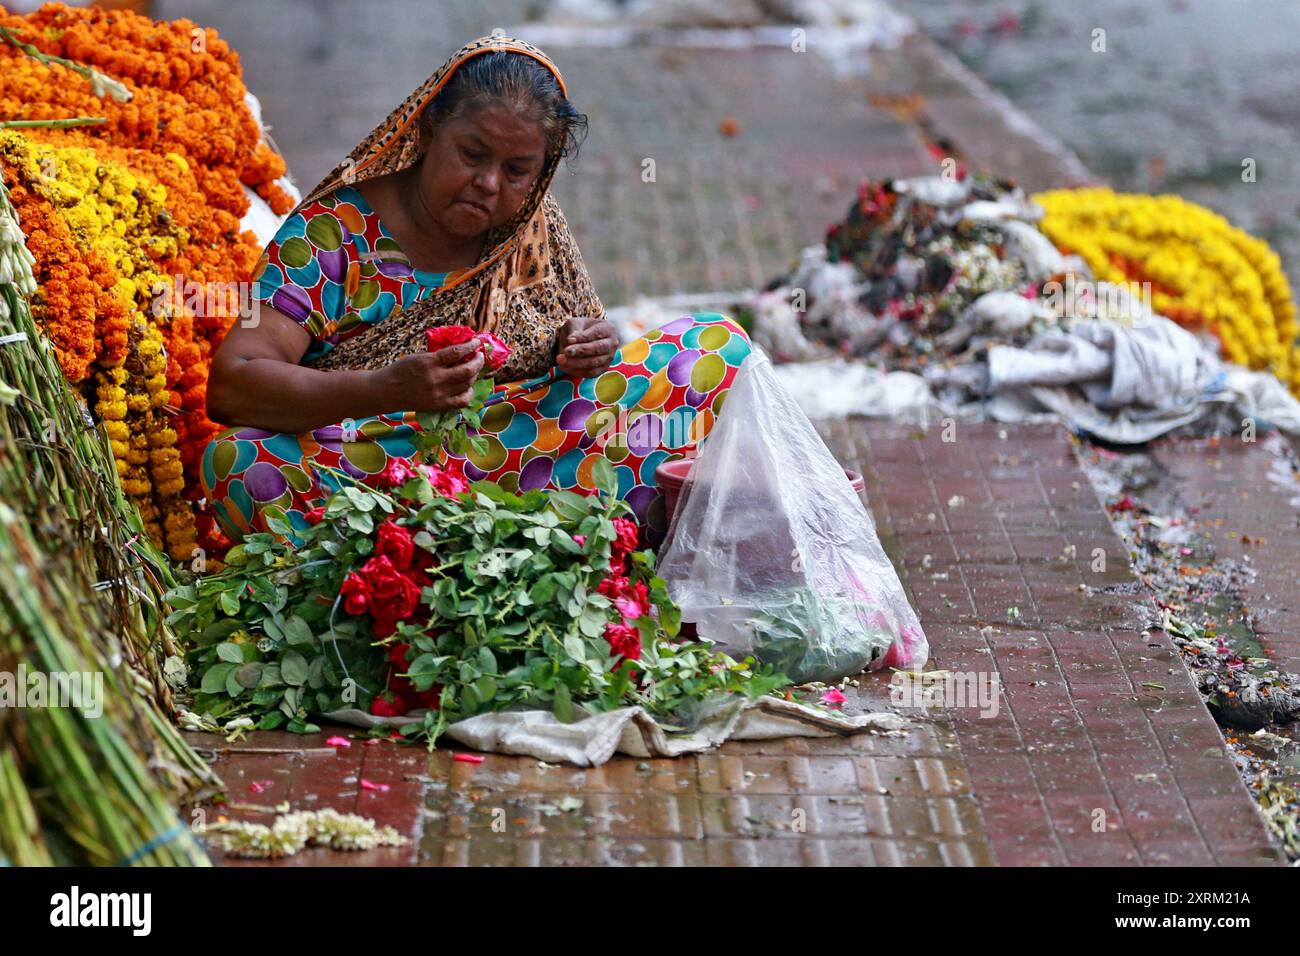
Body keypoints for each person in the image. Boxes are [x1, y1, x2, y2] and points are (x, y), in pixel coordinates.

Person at [202, 34, 752, 548]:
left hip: (525, 440)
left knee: (717, 349)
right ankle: (483, 550)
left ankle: (548, 543)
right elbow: (233, 386)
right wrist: (382, 388)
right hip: (383, 463)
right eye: (472, 154)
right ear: (428, 128)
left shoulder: (530, 223)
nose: (489, 183)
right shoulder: (332, 233)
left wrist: (588, 343)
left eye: (517, 170)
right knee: (239, 462)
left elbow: (579, 351)